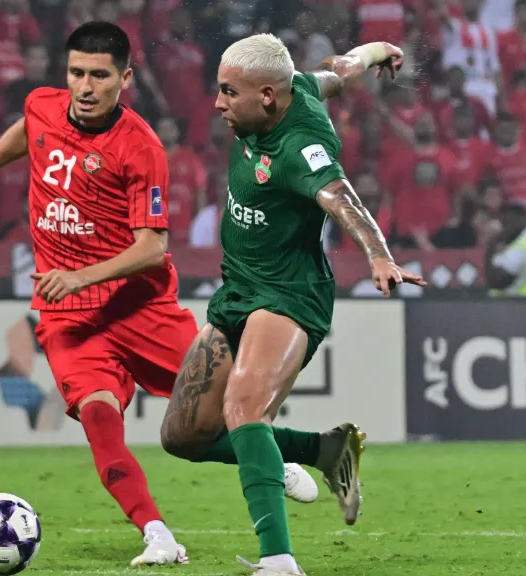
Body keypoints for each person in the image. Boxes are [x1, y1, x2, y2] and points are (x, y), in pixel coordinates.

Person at [0, 22, 317, 568]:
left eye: (99, 75)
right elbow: (28, 130)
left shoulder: (140, 147)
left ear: (125, 79)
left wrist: (80, 276)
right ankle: (157, 535)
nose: (85, 87)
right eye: (76, 73)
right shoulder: (43, 105)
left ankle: (284, 456)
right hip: (69, 319)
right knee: (99, 420)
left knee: (222, 411)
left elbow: (151, 248)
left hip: (140, 308)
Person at [158, 34, 425, 576]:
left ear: (267, 97)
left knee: (243, 409)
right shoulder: (294, 87)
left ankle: (278, 559)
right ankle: (324, 451)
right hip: (239, 289)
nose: (217, 103)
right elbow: (341, 71)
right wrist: (379, 49)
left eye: (228, 92)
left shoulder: (301, 148)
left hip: (288, 293)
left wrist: (379, 255)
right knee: (183, 436)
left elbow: (342, 198)